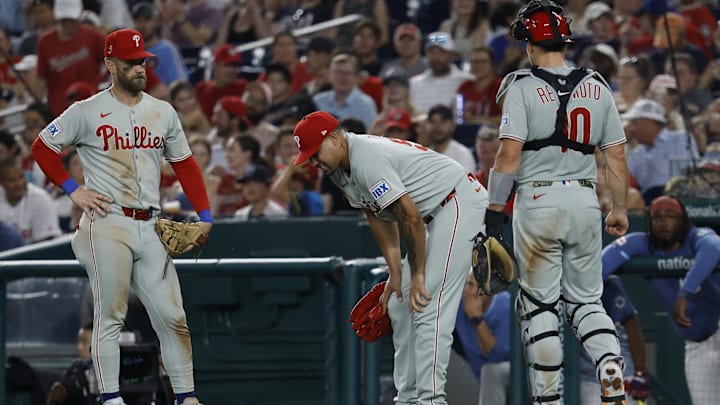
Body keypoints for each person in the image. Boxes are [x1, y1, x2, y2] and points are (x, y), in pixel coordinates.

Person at [30, 28, 212, 405]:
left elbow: (186, 164)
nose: (140, 67)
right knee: (110, 313)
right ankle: (111, 398)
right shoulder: (86, 111)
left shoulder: (162, 111)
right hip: (108, 220)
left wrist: (206, 215)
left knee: (172, 315)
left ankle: (186, 397)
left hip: (151, 223)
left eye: (142, 61)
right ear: (111, 64)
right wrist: (73, 190)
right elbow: (42, 147)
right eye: (131, 62)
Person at [292, 111, 488, 404]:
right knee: (398, 305)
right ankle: (407, 398)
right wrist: (395, 273)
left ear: (334, 138)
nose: (314, 161)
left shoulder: (367, 159)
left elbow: (409, 218)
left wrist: (418, 274)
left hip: (456, 202)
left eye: (315, 152)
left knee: (425, 303)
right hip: (431, 216)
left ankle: (430, 399)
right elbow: (376, 212)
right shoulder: (342, 169)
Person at [488, 1, 631, 403]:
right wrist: (618, 208)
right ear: (564, 40)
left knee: (539, 307)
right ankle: (608, 363)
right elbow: (616, 154)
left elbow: (508, 155)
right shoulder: (596, 83)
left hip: (538, 199)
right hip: (585, 199)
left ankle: (549, 399)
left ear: (529, 42)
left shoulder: (519, 85)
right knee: (587, 300)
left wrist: (495, 210)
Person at [601, 195, 720, 405]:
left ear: (682, 220)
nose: (663, 222)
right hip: (696, 344)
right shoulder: (643, 243)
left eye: (670, 216)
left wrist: (686, 292)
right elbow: (601, 264)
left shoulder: (696, 236)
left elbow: (714, 247)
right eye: (656, 217)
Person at [579, 276, 650, 405]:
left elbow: (632, 325)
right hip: (587, 378)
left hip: (621, 373)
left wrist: (640, 372)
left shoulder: (605, 279)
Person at [454, 270, 511, 405]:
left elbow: (496, 358)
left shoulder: (504, 305)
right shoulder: (458, 308)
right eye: (469, 284)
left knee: (491, 370)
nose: (474, 292)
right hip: (490, 387)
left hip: (519, 381)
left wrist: (477, 319)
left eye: (480, 288)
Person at [0, 157, 62, 244]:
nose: (19, 183)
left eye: (21, 177)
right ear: (1, 183)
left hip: (35, 255)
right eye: (12, 180)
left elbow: (47, 244)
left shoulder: (41, 198)